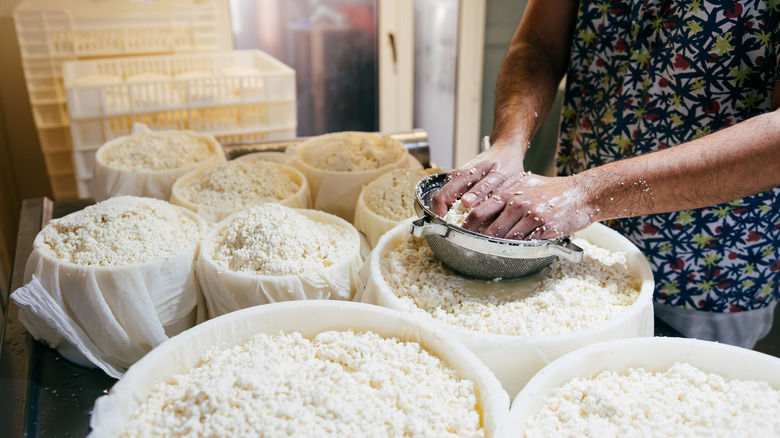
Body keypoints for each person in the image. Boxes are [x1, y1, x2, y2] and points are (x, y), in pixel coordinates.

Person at [432, 0, 780, 348]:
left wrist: (585, 194)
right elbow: (538, 44)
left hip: (707, 267)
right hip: (572, 236)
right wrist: (509, 141)